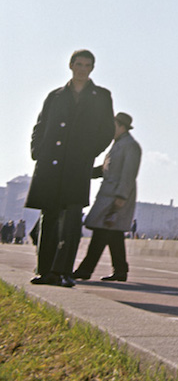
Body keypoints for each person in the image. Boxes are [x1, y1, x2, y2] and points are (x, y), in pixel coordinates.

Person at [26, 49, 115, 287]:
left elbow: (107, 131)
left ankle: (64, 272)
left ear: (92, 68)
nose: (82, 69)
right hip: (51, 165)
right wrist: (38, 151)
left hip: (77, 166)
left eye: (87, 65)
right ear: (71, 65)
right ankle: (44, 271)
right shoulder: (55, 96)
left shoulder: (101, 96)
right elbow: (40, 126)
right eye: (78, 64)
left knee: (72, 221)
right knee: (50, 218)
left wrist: (87, 153)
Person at [73, 112, 142, 283]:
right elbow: (106, 169)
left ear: (121, 126)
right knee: (113, 234)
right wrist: (84, 172)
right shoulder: (119, 144)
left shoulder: (130, 145)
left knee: (102, 232)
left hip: (116, 196)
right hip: (109, 194)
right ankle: (120, 270)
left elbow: (128, 174)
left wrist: (121, 197)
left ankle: (86, 270)